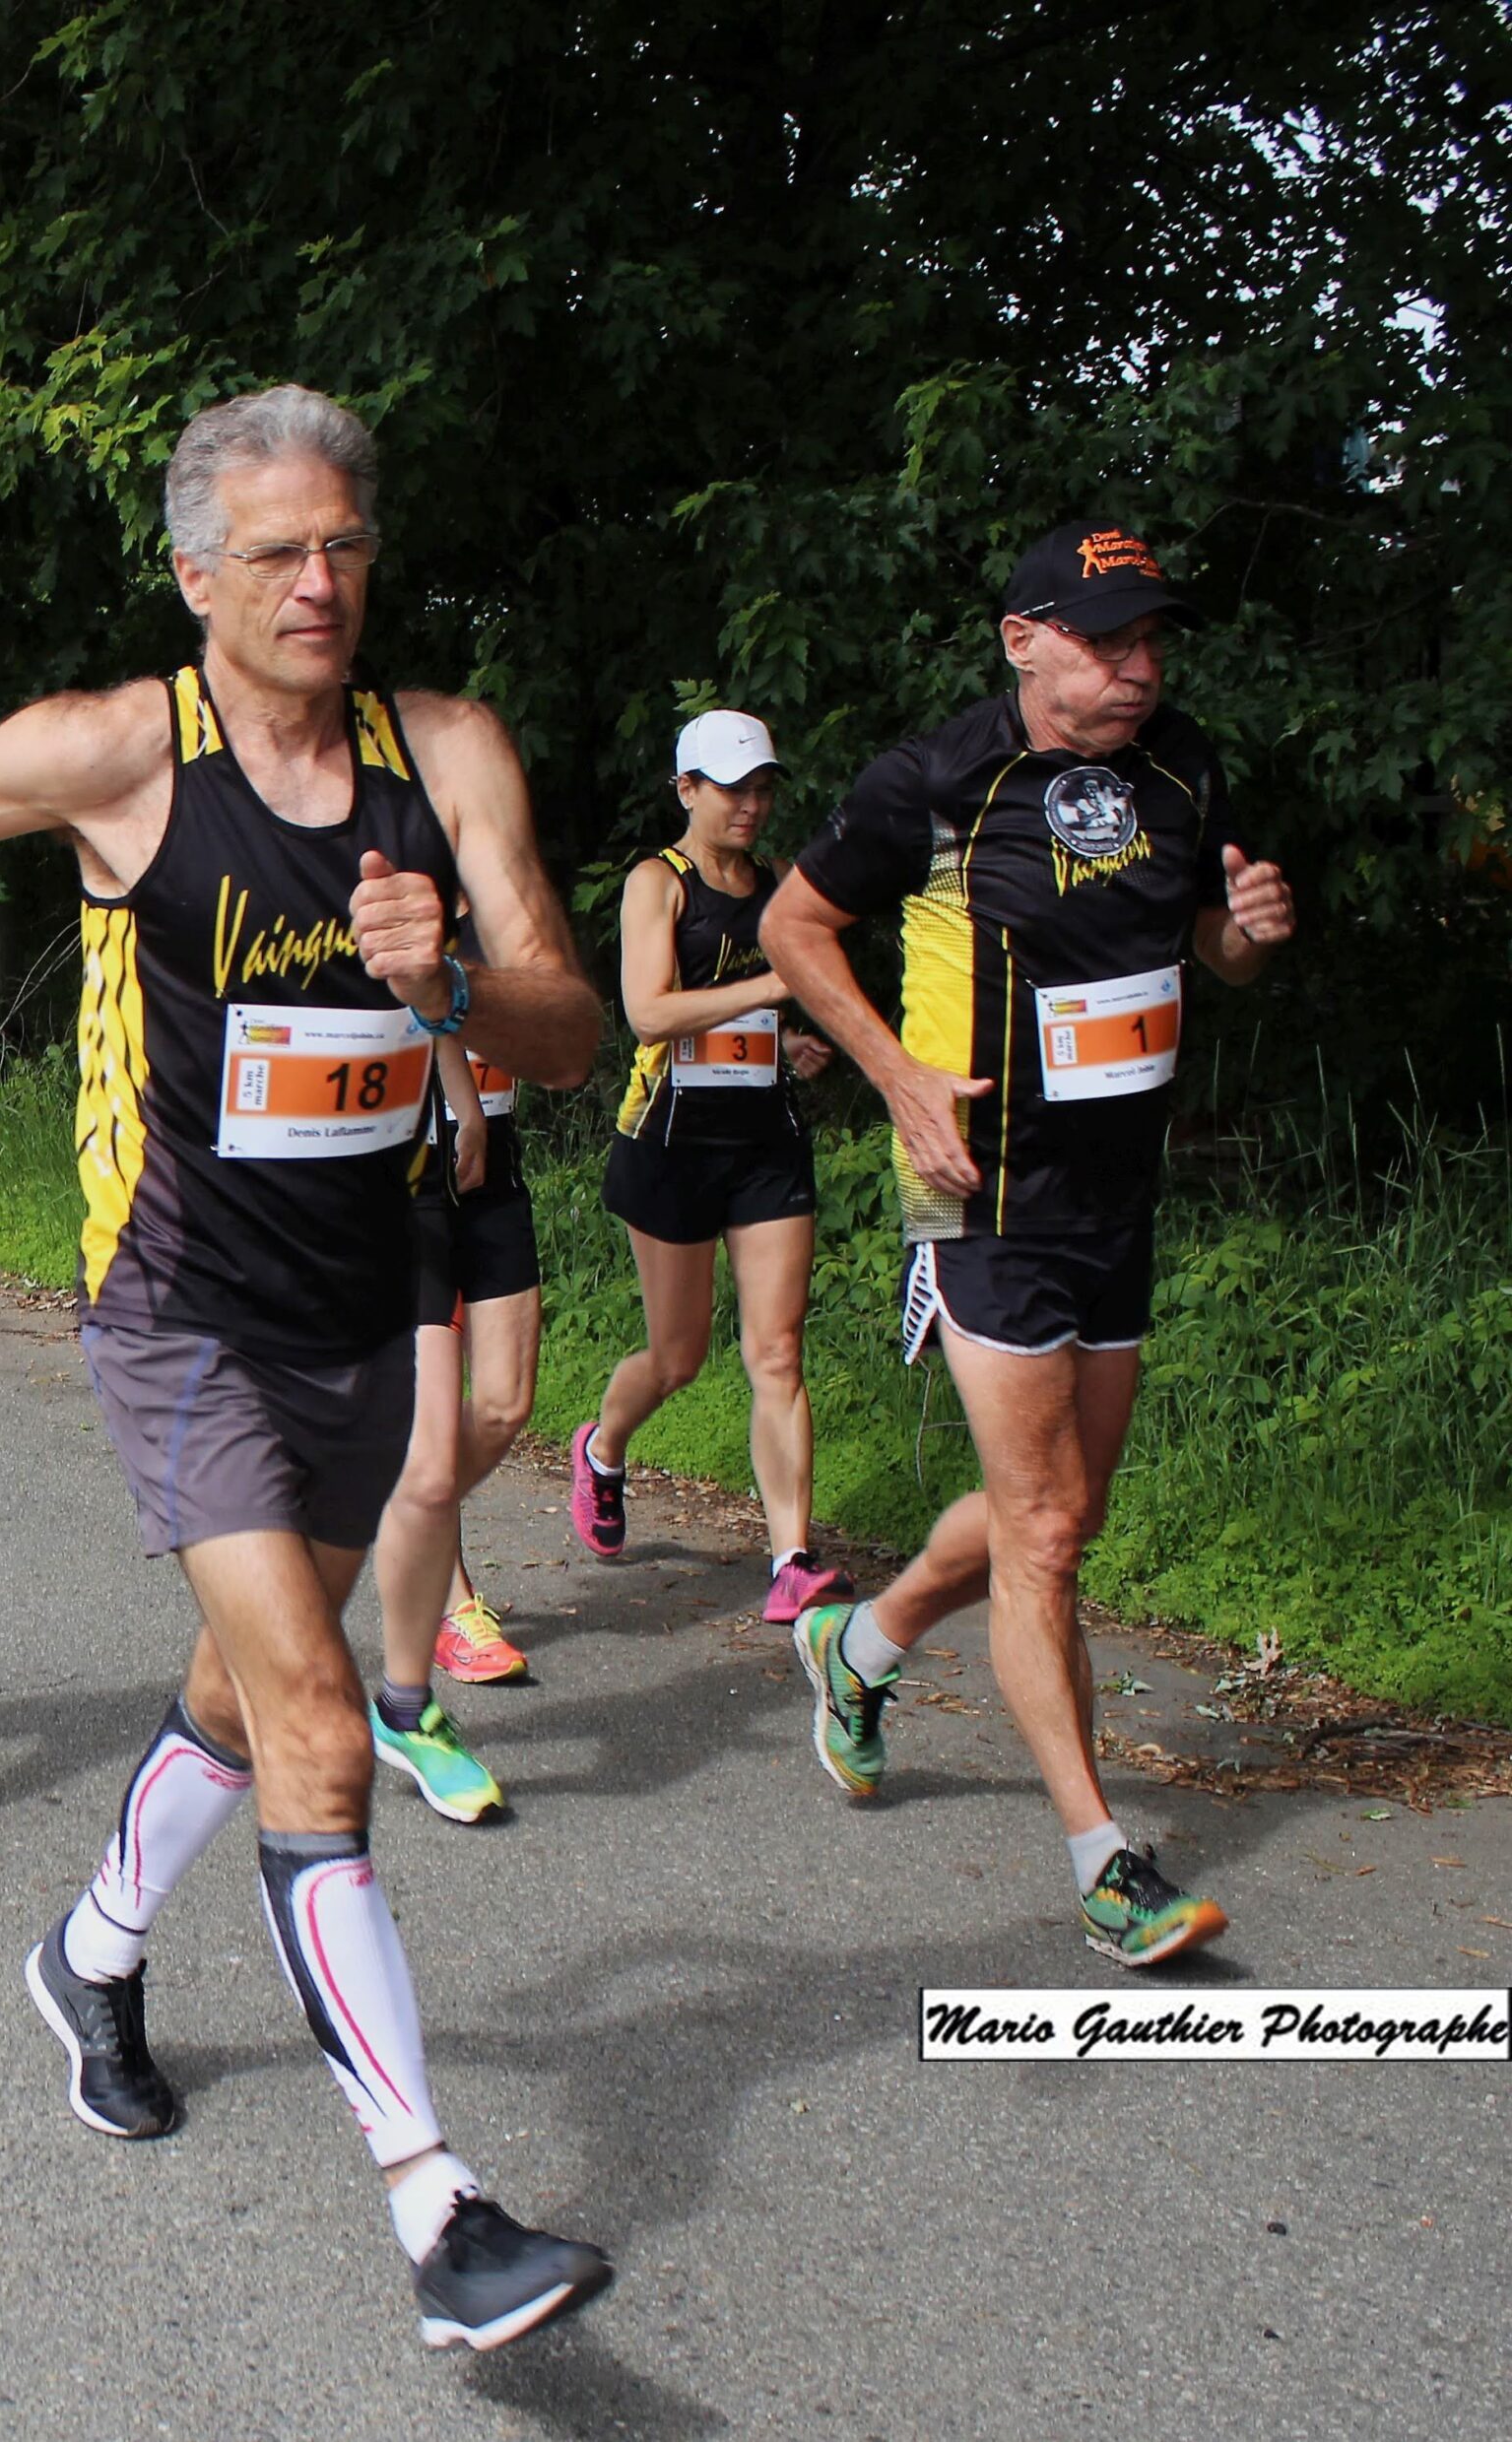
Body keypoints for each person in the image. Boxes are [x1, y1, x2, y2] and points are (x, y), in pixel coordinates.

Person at [0, 383, 613, 2351]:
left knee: (232, 1685)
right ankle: (438, 2205)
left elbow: (571, 1031)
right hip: (176, 1307)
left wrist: (450, 982)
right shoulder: (129, 751)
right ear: (196, 574)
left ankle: (91, 1950)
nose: (316, 582)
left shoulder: (444, 754)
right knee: (320, 1723)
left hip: (360, 1303)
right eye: (275, 551)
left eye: (343, 544)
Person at [759, 519, 1295, 1967]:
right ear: (1023, 641)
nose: (1139, 667)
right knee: (1047, 1528)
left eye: (1151, 639)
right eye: (1106, 641)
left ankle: (859, 1644)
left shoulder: (1182, 766)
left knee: (1055, 1510)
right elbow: (795, 924)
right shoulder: (938, 779)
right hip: (979, 1187)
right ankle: (1103, 1860)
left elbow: (1213, 948)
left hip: (1115, 1191)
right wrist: (895, 1077)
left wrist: (1248, 932)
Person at [567, 711, 851, 1623]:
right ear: (686, 788)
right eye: (733, 789)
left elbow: (751, 1011)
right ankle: (603, 1447)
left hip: (765, 1141)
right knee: (678, 1355)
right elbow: (650, 1012)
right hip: (669, 1140)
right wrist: (774, 987)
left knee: (777, 1350)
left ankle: (792, 1560)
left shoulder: (778, 884)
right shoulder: (658, 882)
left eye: (763, 788)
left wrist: (783, 1039)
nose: (751, 805)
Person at [363, 1027, 545, 1823]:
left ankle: (407, 1523)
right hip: (376, 1180)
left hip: (456, 1156)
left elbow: (424, 989)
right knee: (428, 1469)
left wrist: (465, 1098)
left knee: (496, 1412)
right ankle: (407, 1706)